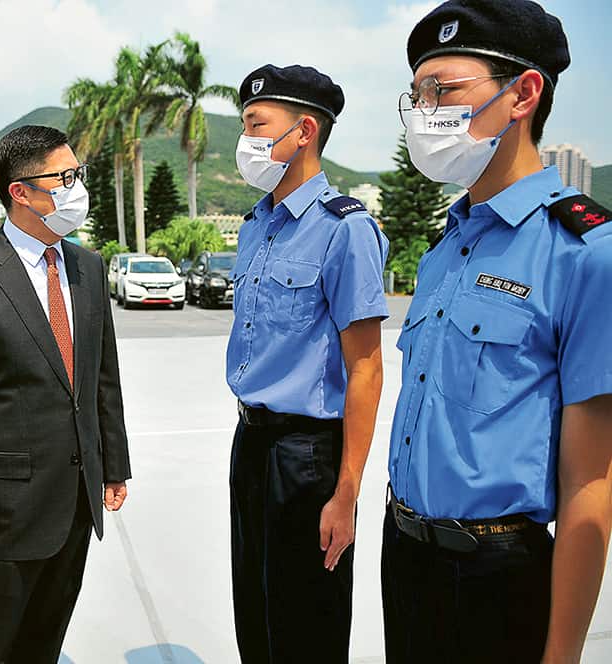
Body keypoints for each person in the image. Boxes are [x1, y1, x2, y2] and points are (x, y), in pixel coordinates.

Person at [383, 1, 612, 662]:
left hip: (497, 578)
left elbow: (590, 486)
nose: (425, 111)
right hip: (404, 557)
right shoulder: (444, 250)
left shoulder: (585, 253)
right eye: (418, 94)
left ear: (523, 94)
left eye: (444, 90)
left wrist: (561, 652)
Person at [0, 124, 131, 664]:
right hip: (6, 509)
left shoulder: (87, 266)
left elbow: (101, 376)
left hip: (77, 498)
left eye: (77, 174)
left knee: (48, 634)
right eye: (64, 177)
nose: (75, 188)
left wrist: (112, 465)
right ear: (20, 192)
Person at [226, 65, 389, 662]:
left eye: (256, 124)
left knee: (306, 625)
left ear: (304, 131)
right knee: (256, 612)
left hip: (307, 457)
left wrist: (346, 493)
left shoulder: (346, 230)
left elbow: (366, 368)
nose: (245, 140)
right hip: (251, 445)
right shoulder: (256, 227)